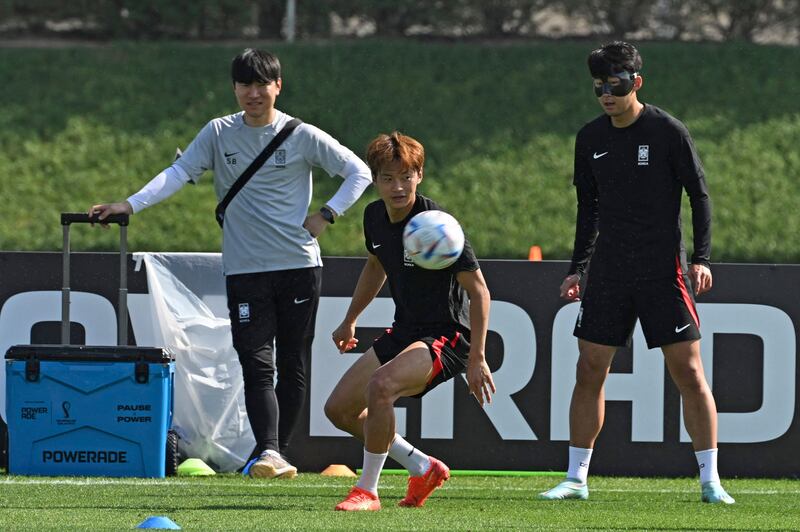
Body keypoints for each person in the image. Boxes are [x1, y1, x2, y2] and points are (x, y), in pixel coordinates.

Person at [89, 48, 372, 479]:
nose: (253, 93)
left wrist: (327, 214)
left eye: (262, 84)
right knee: (255, 360)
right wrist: (130, 204)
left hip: (297, 265)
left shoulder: (301, 134)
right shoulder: (218, 133)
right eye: (245, 84)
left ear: (278, 86)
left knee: (291, 361)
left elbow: (359, 172)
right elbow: (179, 172)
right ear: (235, 88)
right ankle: (270, 454)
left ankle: (275, 452)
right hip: (244, 269)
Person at [538, 41, 734, 504]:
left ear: (636, 83)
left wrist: (701, 259)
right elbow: (589, 209)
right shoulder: (590, 139)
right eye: (599, 87)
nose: (607, 94)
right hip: (608, 272)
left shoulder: (667, 131)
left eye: (616, 84)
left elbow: (699, 197)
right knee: (589, 370)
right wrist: (576, 269)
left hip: (661, 270)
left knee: (688, 372)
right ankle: (576, 479)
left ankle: (710, 481)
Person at [324, 132, 495, 511]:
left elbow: (480, 291)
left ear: (420, 175)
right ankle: (422, 466)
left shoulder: (439, 226)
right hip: (406, 330)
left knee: (382, 386)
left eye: (406, 176)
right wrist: (350, 318)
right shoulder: (374, 217)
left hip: (447, 336)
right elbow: (375, 265)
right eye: (387, 178)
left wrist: (477, 357)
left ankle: (367, 490)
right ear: (376, 180)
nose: (398, 186)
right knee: (338, 410)